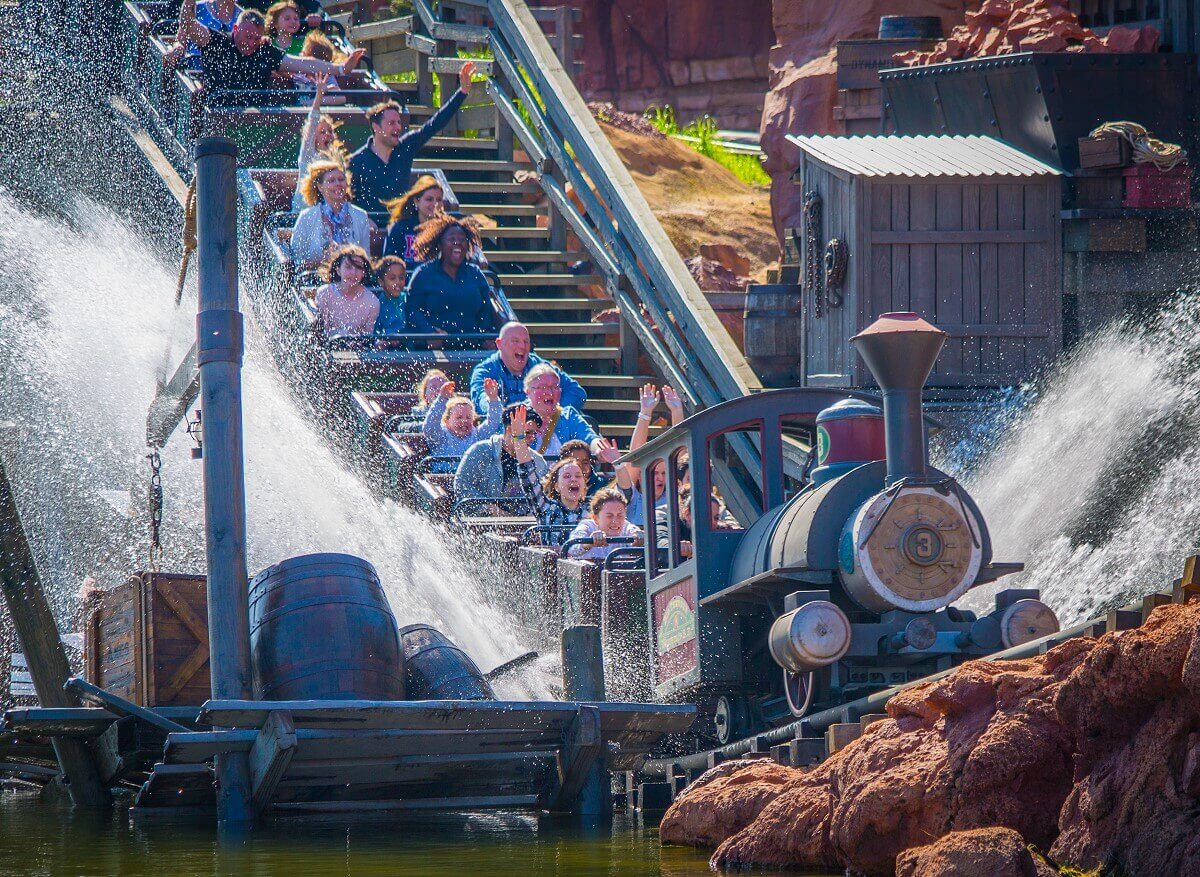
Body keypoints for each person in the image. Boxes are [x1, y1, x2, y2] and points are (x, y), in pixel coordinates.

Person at [166, 0, 364, 104]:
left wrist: (340, 69)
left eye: (255, 38)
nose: (250, 43)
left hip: (253, 119)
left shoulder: (264, 50)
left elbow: (303, 63)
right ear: (235, 29)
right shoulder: (217, 41)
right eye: (247, 37)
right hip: (220, 114)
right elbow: (187, 24)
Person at [348, 62, 476, 211]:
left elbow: (434, 125)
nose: (398, 127)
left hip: (400, 225)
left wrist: (463, 92)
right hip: (370, 227)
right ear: (376, 127)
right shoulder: (356, 162)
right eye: (391, 123)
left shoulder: (405, 147)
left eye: (398, 122)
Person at [405, 215, 495, 338]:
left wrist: (484, 334)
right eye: (451, 239)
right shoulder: (423, 273)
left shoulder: (475, 274)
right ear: (440, 245)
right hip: (435, 347)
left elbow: (486, 310)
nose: (457, 243)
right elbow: (412, 309)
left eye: (462, 239)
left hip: (472, 344)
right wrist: (429, 332)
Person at [508, 405, 586, 545]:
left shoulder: (591, 512)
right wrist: (519, 438)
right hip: (553, 564)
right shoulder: (546, 509)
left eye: (578, 476)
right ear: (556, 486)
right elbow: (527, 472)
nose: (573, 479)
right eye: (567, 476)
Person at [468, 321, 586, 414]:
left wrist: (552, 410)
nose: (522, 346)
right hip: (504, 434)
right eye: (515, 341)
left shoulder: (541, 366)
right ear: (499, 344)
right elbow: (481, 400)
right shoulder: (484, 371)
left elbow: (577, 392)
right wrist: (495, 406)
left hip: (543, 430)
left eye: (526, 342)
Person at [454, 403, 547, 515]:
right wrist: (489, 508)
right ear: (509, 429)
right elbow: (462, 485)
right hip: (480, 521)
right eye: (527, 433)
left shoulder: (538, 462)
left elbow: (540, 500)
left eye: (534, 433)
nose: (532, 438)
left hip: (523, 524)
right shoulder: (480, 451)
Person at [291, 161, 376, 267]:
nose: (338, 184)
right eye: (331, 181)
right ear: (320, 187)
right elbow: (296, 258)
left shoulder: (360, 216)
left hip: (352, 279)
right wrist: (321, 261)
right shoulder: (307, 217)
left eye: (341, 180)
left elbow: (365, 257)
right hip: (315, 279)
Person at [291, 72, 347, 210]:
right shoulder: (308, 154)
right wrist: (319, 95)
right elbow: (313, 119)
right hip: (303, 213)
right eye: (322, 132)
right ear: (314, 137)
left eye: (329, 131)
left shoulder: (336, 159)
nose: (327, 135)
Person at [421, 378, 502, 471]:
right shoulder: (440, 437)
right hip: (442, 479)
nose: (464, 421)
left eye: (468, 417)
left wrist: (493, 398)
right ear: (447, 421)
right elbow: (430, 426)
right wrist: (442, 399)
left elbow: (494, 421)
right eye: (459, 417)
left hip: (471, 481)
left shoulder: (478, 436)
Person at [523, 363, 599, 456]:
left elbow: (590, 438)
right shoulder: (517, 415)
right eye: (543, 387)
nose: (550, 392)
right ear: (528, 391)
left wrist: (599, 449)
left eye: (555, 387)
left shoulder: (568, 416)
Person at [314, 244, 378, 335]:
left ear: (363, 273)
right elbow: (323, 332)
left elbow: (367, 337)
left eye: (358, 268)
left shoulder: (373, 302)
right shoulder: (324, 293)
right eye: (348, 267)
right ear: (338, 270)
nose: (353, 273)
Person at [382, 175, 444, 266]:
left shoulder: (446, 229)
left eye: (439, 200)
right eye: (429, 199)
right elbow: (389, 264)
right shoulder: (400, 228)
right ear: (416, 201)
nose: (435, 204)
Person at [566, 488, 643, 562]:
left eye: (620, 515)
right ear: (596, 518)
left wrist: (638, 538)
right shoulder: (587, 526)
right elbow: (571, 549)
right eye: (609, 516)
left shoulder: (627, 527)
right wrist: (588, 543)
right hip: (592, 573)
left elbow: (634, 531)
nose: (615, 521)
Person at [655, 485, 723, 559]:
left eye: (716, 518)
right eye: (706, 516)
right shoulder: (668, 525)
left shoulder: (720, 530)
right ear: (687, 513)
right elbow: (660, 541)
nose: (712, 522)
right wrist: (675, 546)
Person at [372, 255, 407, 336]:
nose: (398, 282)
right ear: (381, 281)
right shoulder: (377, 305)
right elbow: (375, 331)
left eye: (401, 278)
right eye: (392, 278)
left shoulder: (408, 299)